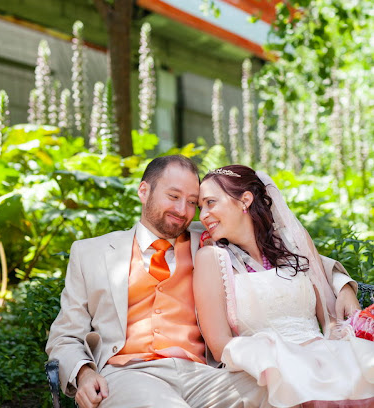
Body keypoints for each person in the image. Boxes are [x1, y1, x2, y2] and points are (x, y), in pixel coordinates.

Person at [46, 155, 360, 408]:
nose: (183, 211)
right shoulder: (91, 252)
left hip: (208, 375)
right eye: (173, 196)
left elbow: (290, 253)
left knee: (290, 388)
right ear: (144, 191)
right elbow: (64, 336)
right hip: (130, 373)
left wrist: (340, 283)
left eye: (193, 201)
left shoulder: (209, 236)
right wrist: (84, 374)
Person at [194, 165, 374, 408]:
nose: (203, 215)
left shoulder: (293, 241)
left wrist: (344, 289)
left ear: (245, 200)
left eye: (210, 203)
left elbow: (329, 317)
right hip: (266, 370)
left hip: (324, 359)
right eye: (200, 207)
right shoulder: (211, 259)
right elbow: (219, 345)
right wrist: (277, 360)